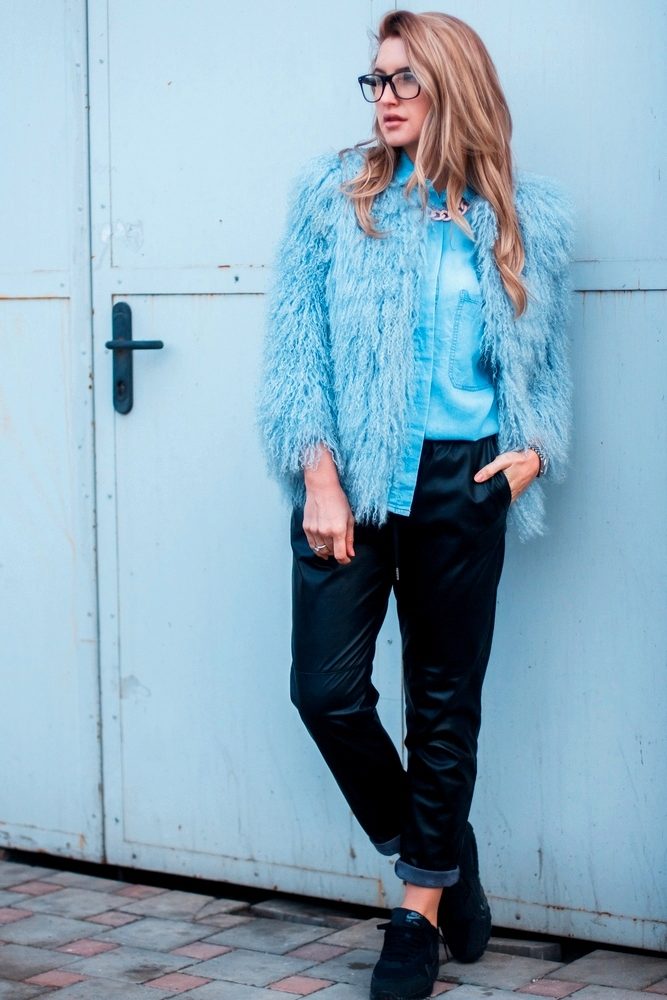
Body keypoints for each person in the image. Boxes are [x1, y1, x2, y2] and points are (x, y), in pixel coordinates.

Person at [258, 9, 573, 999]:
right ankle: (447, 858)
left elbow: (544, 371)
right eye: (377, 78)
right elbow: (297, 351)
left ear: (451, 87)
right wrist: (317, 476)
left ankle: (416, 914)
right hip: (353, 478)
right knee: (326, 693)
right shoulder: (333, 196)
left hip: (463, 483)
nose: (384, 96)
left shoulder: (521, 216)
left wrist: (525, 461)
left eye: (405, 78)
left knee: (443, 708)